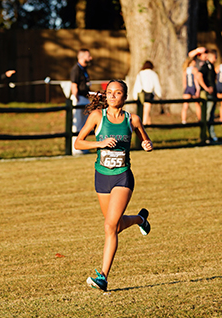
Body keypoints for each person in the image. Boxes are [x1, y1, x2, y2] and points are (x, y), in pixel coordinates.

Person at [74, 80, 153, 292]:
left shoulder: (132, 119)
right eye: (109, 92)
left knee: (109, 226)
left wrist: (147, 145)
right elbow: (78, 142)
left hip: (122, 177)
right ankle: (140, 219)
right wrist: (98, 143)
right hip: (101, 177)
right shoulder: (97, 117)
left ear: (124, 97)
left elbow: (146, 141)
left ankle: (103, 277)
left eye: (117, 93)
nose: (112, 96)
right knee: (115, 226)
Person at [70, 48, 93, 155]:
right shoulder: (76, 69)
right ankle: (76, 148)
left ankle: (83, 146)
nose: (90, 58)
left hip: (85, 99)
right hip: (79, 99)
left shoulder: (84, 69)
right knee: (78, 124)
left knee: (85, 125)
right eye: (88, 56)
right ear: (83, 56)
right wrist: (76, 98)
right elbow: (74, 85)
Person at [196, 49, 218, 142]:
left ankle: (211, 135)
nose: (216, 59)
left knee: (211, 115)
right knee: (207, 115)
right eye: (214, 56)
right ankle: (206, 136)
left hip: (213, 94)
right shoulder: (206, 65)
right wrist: (206, 88)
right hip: (207, 95)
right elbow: (199, 75)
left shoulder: (211, 66)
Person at [132, 60, 162, 125]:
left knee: (146, 109)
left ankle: (148, 123)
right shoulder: (153, 74)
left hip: (141, 93)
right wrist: (159, 94)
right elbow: (156, 85)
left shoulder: (140, 73)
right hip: (149, 93)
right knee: (147, 109)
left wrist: (135, 95)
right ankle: (144, 124)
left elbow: (137, 85)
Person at [181, 57, 201, 124]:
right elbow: (196, 80)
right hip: (193, 88)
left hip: (187, 88)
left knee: (185, 106)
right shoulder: (195, 70)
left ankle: (183, 121)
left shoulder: (185, 71)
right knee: (197, 105)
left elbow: (184, 82)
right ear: (192, 62)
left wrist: (186, 89)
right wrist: (198, 89)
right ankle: (200, 119)